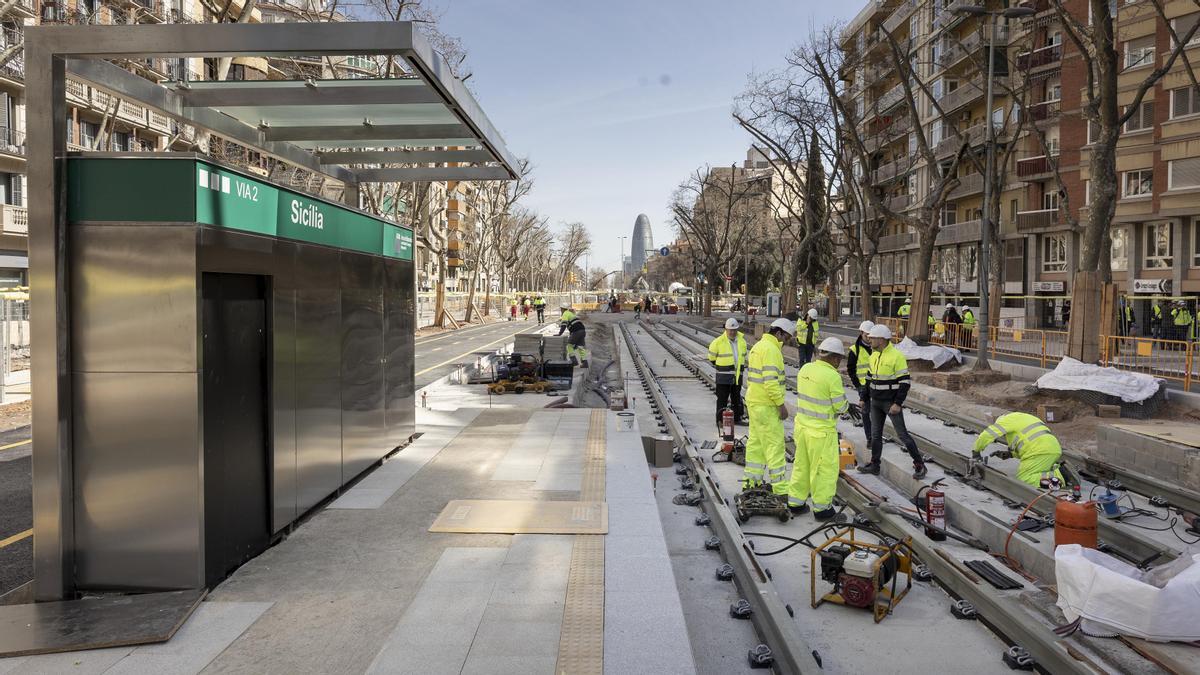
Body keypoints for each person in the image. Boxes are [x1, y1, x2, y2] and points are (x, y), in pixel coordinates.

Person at [786, 337, 849, 520]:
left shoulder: (805, 369)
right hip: (821, 433)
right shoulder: (832, 376)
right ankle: (822, 510)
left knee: (801, 466)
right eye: (839, 360)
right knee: (824, 471)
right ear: (835, 358)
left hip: (802, 428)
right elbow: (839, 406)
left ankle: (796, 503)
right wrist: (847, 406)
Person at [857, 324, 927, 479]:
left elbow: (904, 382)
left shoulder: (896, 356)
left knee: (902, 435)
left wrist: (898, 403)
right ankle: (875, 465)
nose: (870, 339)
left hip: (890, 403)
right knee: (875, 436)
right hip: (875, 402)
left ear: (882, 340)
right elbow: (868, 380)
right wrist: (863, 398)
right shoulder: (873, 355)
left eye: (873, 338)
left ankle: (920, 464)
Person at [743, 318, 795, 494]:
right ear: (779, 332)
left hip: (754, 402)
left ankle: (751, 482)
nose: (787, 340)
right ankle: (780, 489)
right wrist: (781, 405)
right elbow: (771, 381)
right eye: (786, 337)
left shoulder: (758, 346)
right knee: (775, 446)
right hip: (767, 405)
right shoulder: (771, 350)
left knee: (756, 444)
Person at [972, 411, 1063, 488]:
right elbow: (1026, 440)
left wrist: (976, 451)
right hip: (1053, 448)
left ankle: (1062, 476)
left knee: (1024, 478)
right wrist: (1011, 454)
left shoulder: (1005, 421)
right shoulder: (1023, 417)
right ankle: (1059, 470)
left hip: (1039, 452)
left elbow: (988, 434)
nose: (1005, 436)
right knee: (1040, 472)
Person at [708, 318, 749, 428]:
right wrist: (722, 367)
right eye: (730, 330)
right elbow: (712, 357)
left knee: (736, 398)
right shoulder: (718, 342)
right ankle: (719, 420)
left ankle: (737, 418)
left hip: (737, 376)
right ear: (725, 329)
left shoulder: (742, 341)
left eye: (734, 330)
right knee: (722, 399)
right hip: (723, 376)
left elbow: (743, 356)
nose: (732, 332)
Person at [845, 320, 874, 448]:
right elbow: (851, 370)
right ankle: (870, 438)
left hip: (877, 384)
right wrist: (858, 386)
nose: (868, 337)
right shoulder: (854, 350)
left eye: (870, 335)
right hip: (863, 386)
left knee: (878, 412)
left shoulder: (877, 347)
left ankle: (876, 435)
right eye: (866, 334)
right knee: (866, 412)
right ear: (861, 333)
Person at [558, 303, 589, 368]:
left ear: (562, 309)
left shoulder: (565, 314)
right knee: (580, 347)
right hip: (582, 330)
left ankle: (574, 361)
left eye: (561, 309)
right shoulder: (571, 313)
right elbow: (573, 324)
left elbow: (564, 324)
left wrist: (560, 333)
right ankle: (585, 363)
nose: (560, 310)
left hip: (576, 331)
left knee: (569, 346)